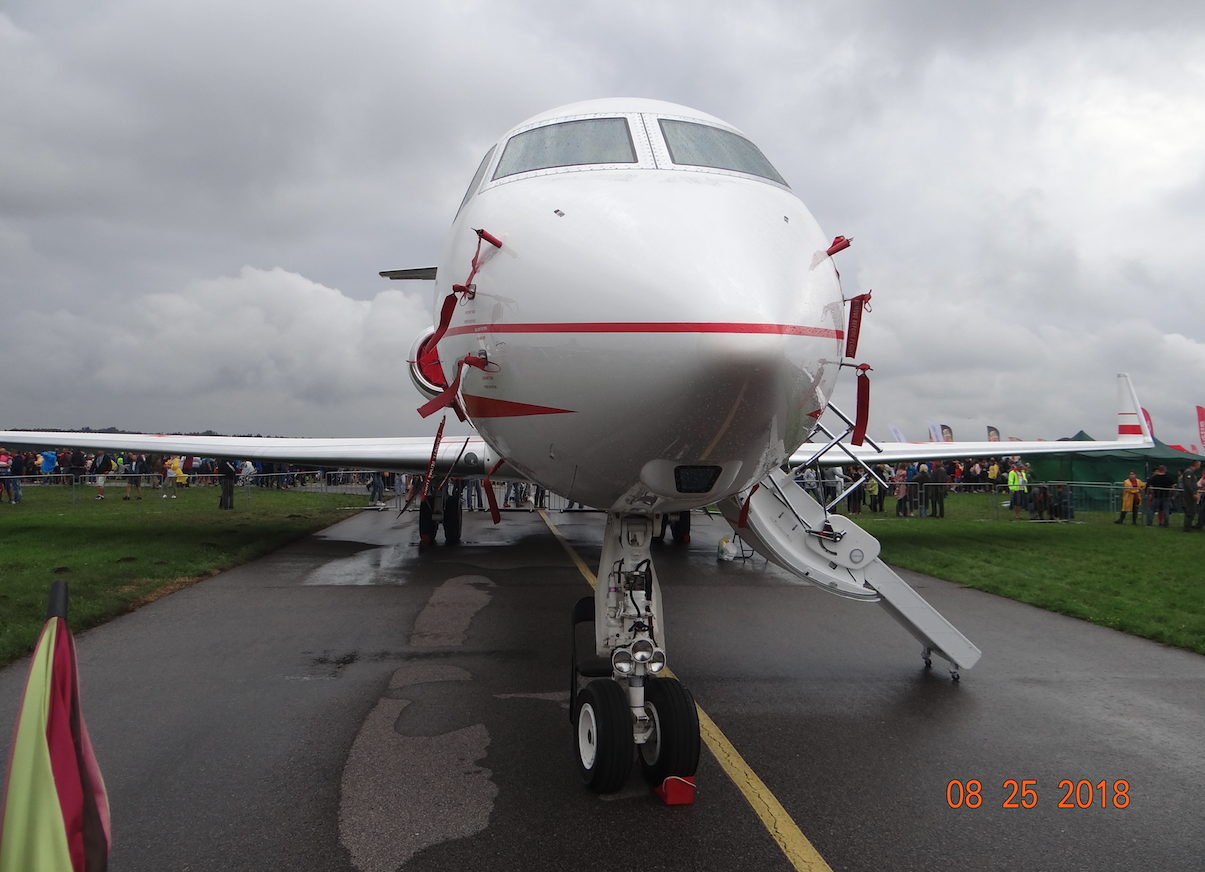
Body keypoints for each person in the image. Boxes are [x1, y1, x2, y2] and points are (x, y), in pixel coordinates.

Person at [1180, 460, 1201, 531]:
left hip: (1190, 494)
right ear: (1196, 465)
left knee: (1192, 510)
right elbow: (1188, 484)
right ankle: (1187, 527)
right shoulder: (1189, 472)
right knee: (1190, 510)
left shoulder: (1191, 472)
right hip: (1189, 495)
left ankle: (1188, 525)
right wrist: (1193, 493)